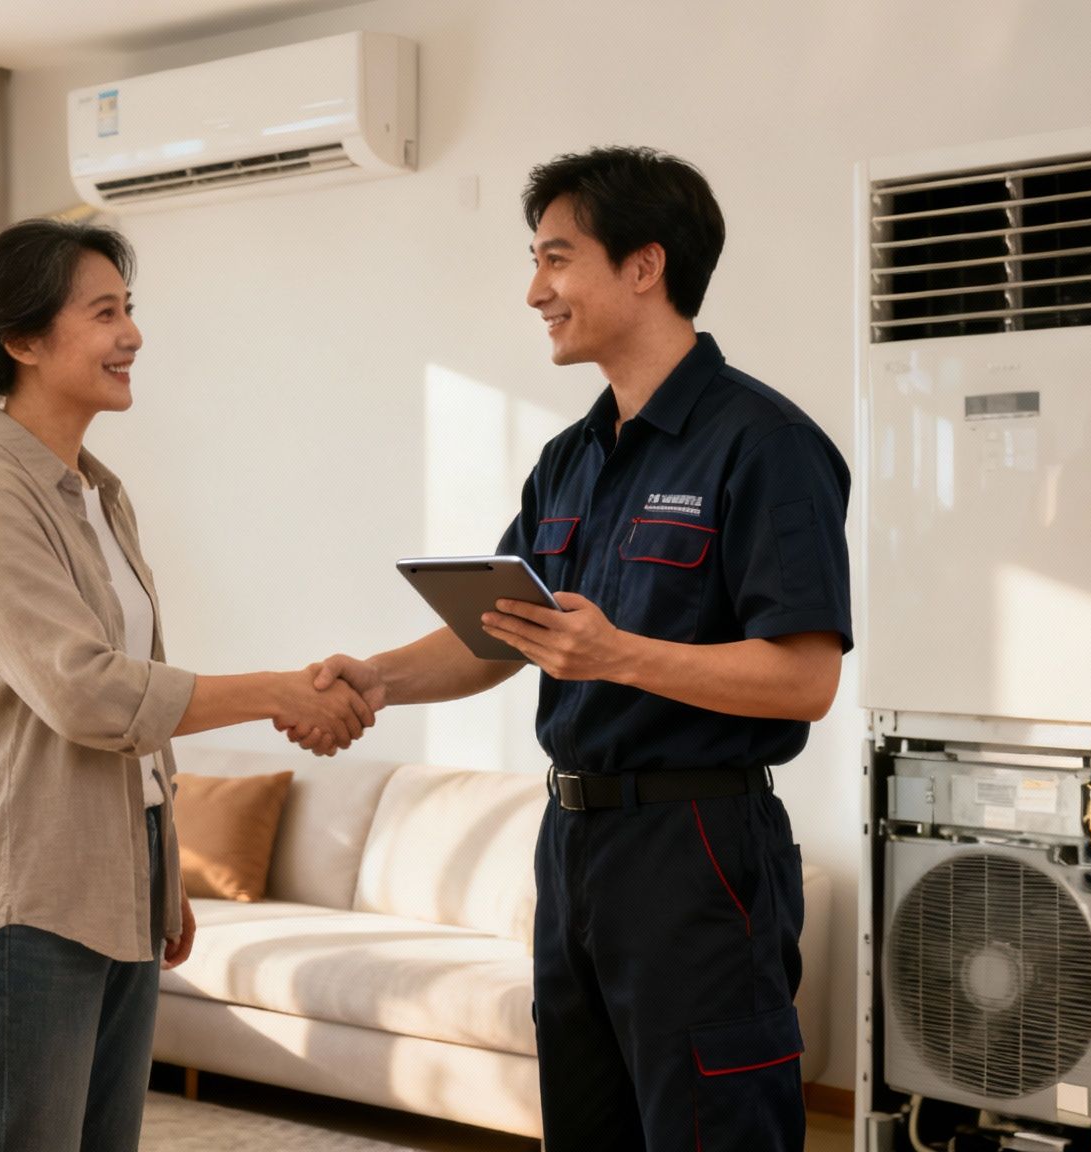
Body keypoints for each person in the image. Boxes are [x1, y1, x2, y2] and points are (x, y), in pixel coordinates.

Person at [297, 147, 851, 1151]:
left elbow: (805, 680)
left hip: (695, 848)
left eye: (555, 259)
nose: (533, 291)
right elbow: (501, 637)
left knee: (707, 1129)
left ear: (643, 267)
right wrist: (375, 677)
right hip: (572, 847)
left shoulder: (763, 444)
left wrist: (621, 656)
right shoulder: (570, 457)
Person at [0, 218, 374, 1152]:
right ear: (25, 341)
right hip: (29, 898)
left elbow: (137, 710)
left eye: (130, 311)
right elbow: (91, 694)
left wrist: (161, 876)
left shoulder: (97, 494)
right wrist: (282, 691)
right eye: (106, 313)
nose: (132, 335)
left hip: (111, 891)